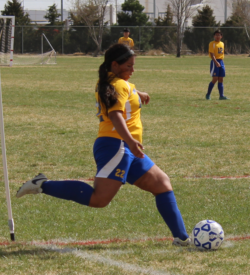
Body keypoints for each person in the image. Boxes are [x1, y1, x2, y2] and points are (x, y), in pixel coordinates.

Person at [16, 44, 190, 247]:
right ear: (115, 65)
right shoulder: (118, 85)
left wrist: (139, 92)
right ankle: (42, 185)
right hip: (117, 147)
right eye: (129, 66)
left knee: (162, 185)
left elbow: (125, 90)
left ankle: (182, 238)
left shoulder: (111, 81)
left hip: (125, 148)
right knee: (99, 199)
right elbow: (116, 115)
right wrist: (131, 141)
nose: (133, 70)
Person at [205, 30, 229, 100]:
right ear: (214, 36)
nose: (217, 36)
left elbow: (221, 54)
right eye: (216, 35)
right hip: (214, 62)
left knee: (221, 79)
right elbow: (212, 54)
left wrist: (221, 62)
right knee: (215, 79)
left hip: (221, 61)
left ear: (221, 36)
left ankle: (221, 96)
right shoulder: (212, 43)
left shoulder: (222, 43)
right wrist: (216, 62)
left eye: (219, 35)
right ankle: (208, 94)